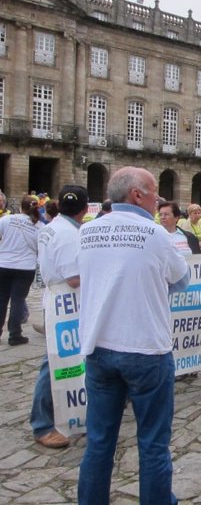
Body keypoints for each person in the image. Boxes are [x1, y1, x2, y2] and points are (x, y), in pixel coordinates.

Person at [77, 167, 189, 505]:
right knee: (153, 443)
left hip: (99, 344)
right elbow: (181, 279)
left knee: (99, 441)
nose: (158, 199)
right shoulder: (154, 233)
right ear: (137, 195)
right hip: (145, 348)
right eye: (154, 192)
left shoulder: (88, 231)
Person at [31, 185, 88, 449]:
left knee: (62, 358)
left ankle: (74, 411)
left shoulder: (52, 226)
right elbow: (74, 278)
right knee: (53, 361)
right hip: (66, 301)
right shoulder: (69, 234)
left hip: (58, 299)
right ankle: (43, 424)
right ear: (85, 210)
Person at [0, 196, 42, 345]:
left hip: (4, 264)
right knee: (18, 300)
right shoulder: (38, 226)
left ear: (20, 207)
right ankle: (15, 334)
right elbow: (40, 248)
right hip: (25, 267)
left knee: (1, 299)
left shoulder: (7, 219)